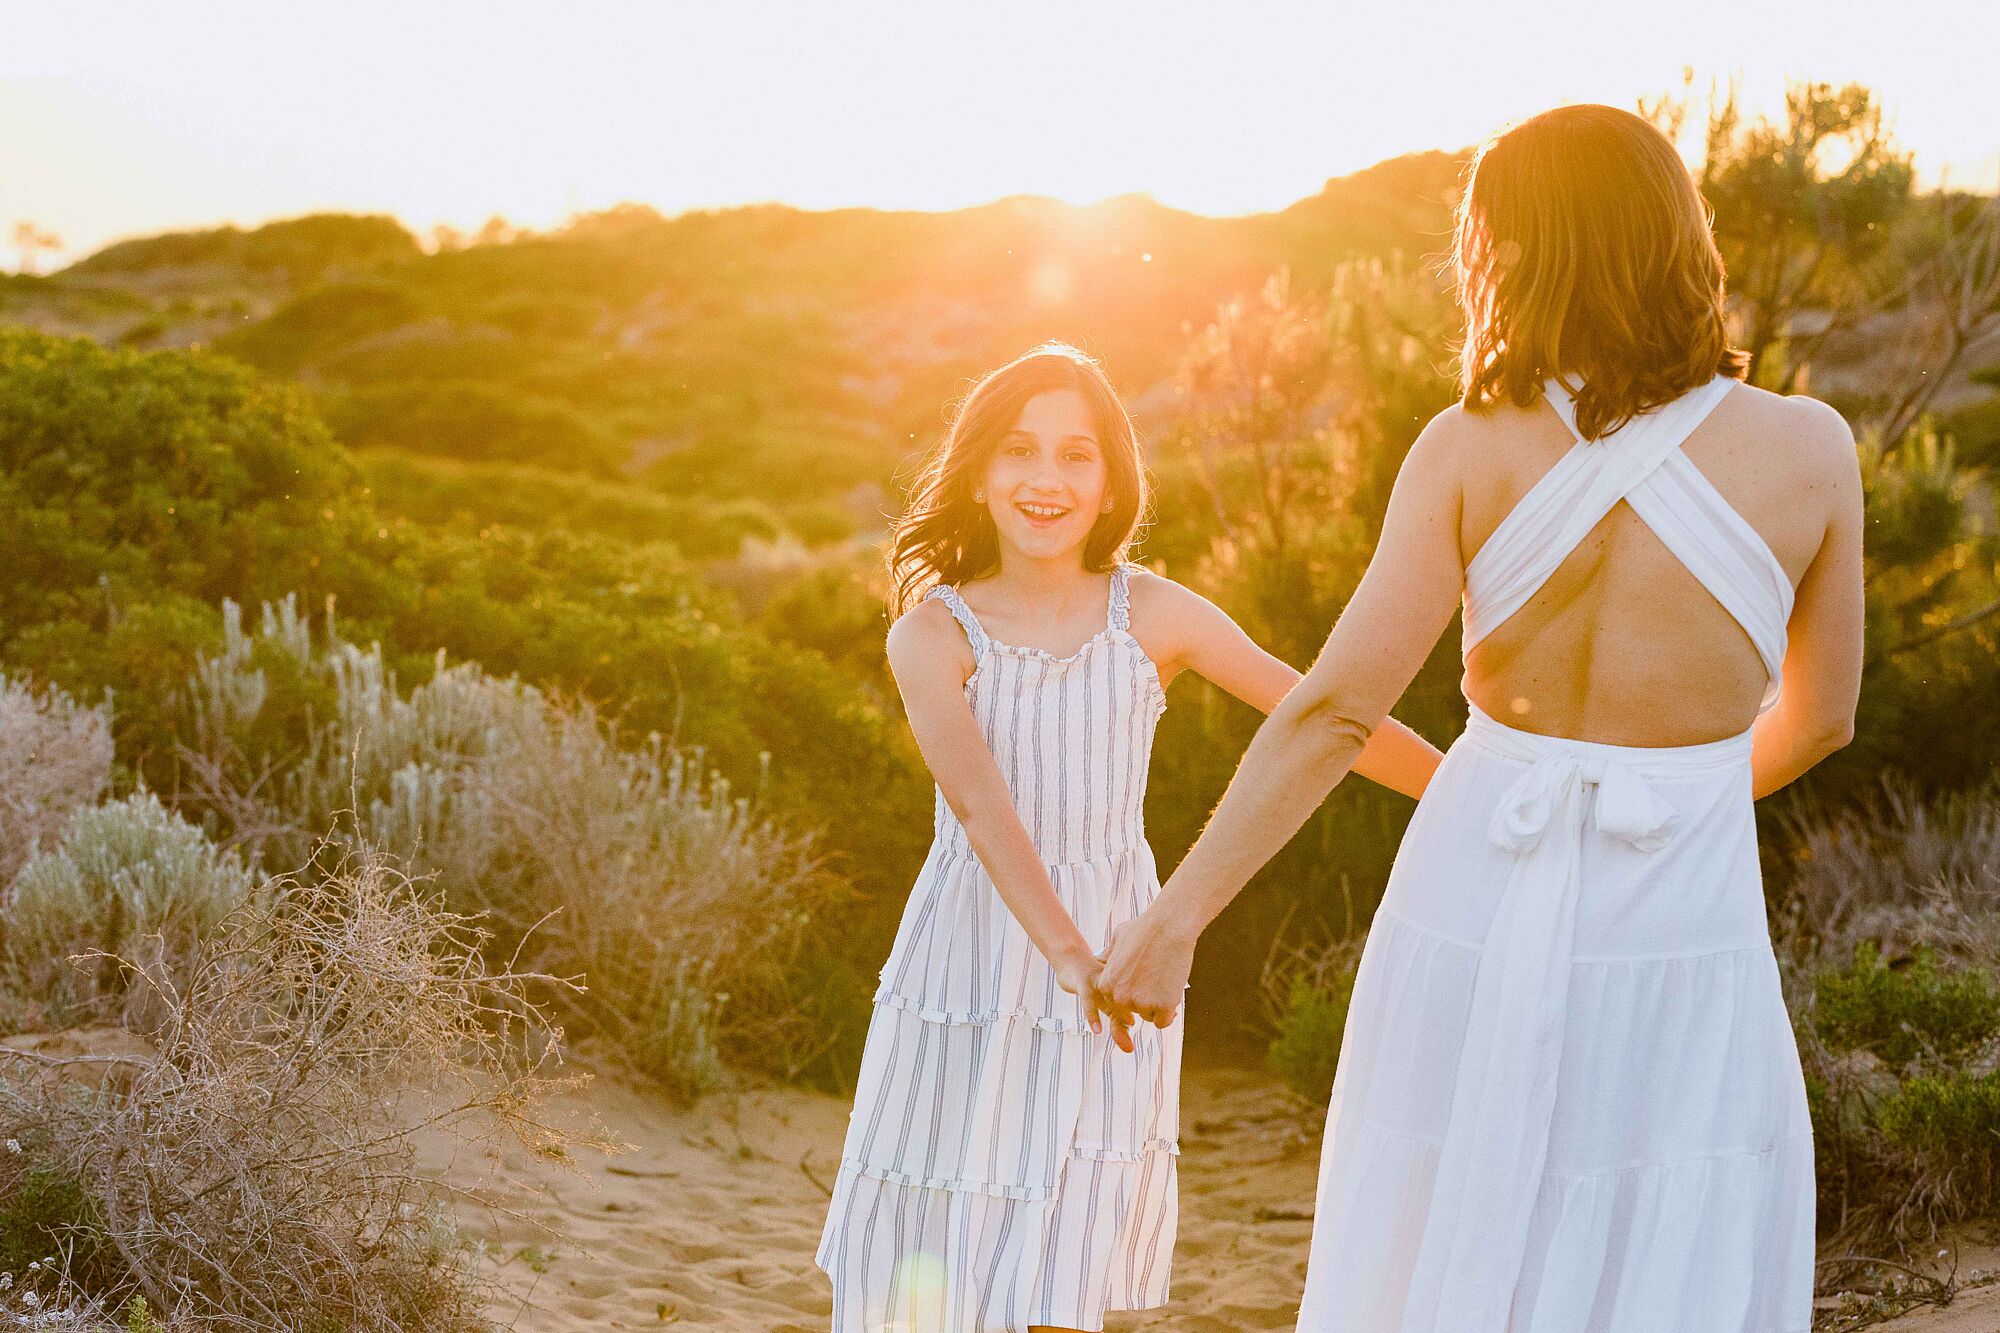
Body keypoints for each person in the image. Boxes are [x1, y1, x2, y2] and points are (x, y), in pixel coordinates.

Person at [1097, 104, 1864, 1331]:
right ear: (1679, 234)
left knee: (1434, 1202)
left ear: (1511, 251)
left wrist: (1174, 916)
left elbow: (1332, 711)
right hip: (1679, 907)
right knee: (1664, 1203)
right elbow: (1821, 719)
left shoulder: (1465, 447)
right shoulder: (1808, 448)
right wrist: (1678, 802)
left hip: (1468, 885)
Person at [815, 341, 1442, 1332]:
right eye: (1019, 450)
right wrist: (1064, 952)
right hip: (973, 952)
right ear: (976, 474)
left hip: (1121, 956)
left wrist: (1467, 788)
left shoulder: (1152, 613)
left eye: (1077, 455)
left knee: (1067, 1252)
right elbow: (979, 807)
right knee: (933, 1251)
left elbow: (1325, 710)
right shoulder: (931, 634)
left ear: (1111, 483)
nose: (1046, 479)